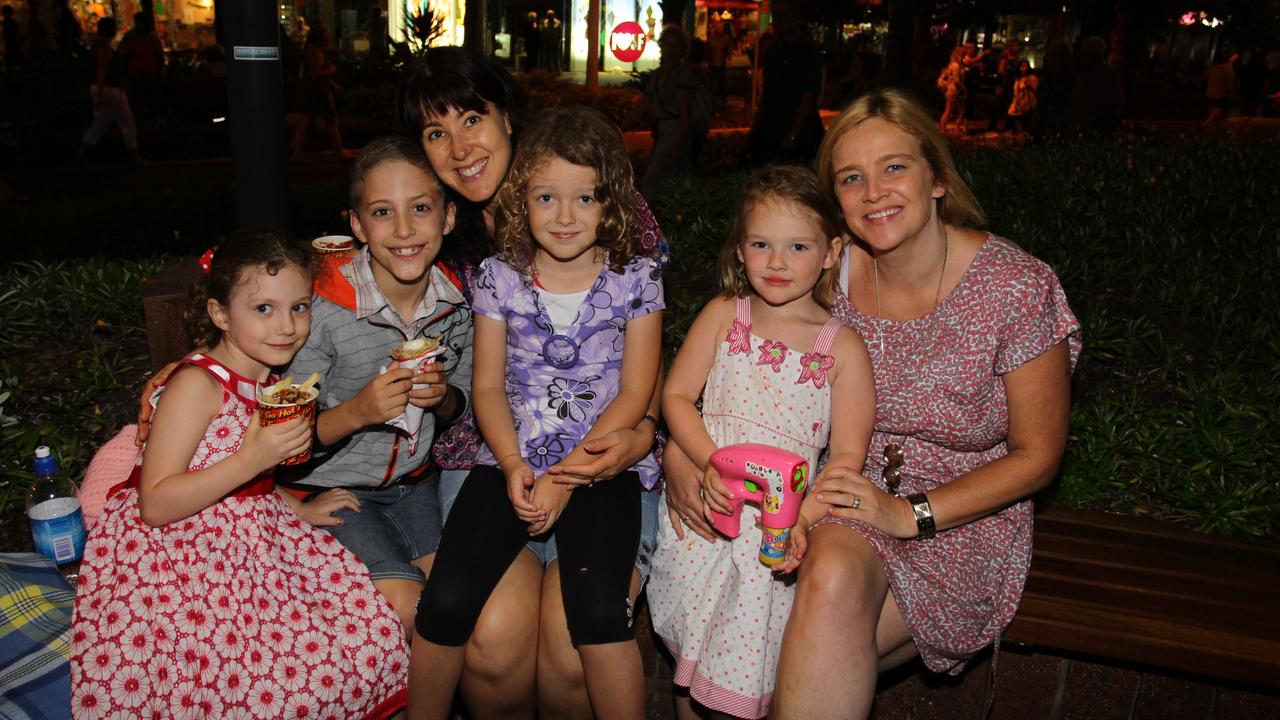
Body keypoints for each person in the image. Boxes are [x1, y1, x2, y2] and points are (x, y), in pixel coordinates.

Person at [756, 88, 1080, 718]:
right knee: (808, 608)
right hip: (843, 494)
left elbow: (1039, 456)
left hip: (967, 514)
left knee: (788, 665)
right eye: (852, 177)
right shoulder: (824, 268)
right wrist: (686, 456)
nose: (874, 191)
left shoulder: (1015, 286)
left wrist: (911, 515)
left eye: (895, 167)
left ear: (936, 177)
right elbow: (738, 349)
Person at [396, 45, 668, 719]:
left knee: (579, 640)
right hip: (494, 456)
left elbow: (645, 380)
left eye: (471, 118)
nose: (458, 147)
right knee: (488, 637)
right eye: (435, 132)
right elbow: (344, 272)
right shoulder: (444, 238)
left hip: (602, 457)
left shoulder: (622, 239)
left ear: (509, 115)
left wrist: (638, 441)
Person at [71, 231, 409, 719]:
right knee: (259, 679)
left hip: (249, 532)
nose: (288, 326)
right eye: (264, 309)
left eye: (298, 307)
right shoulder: (196, 385)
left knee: (361, 625)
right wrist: (253, 459)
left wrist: (299, 506)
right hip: (174, 557)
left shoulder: (269, 381)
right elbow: (156, 503)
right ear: (220, 315)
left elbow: (248, 479)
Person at [648, 165, 876, 719]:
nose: (776, 262)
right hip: (707, 509)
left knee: (744, 665)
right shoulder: (726, 315)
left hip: (776, 529)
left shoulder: (842, 348)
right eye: (761, 244)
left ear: (830, 252)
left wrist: (801, 518)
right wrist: (707, 464)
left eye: (798, 246)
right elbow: (676, 396)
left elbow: (847, 459)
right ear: (740, 249)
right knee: (693, 656)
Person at [280, 136, 471, 635]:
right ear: (357, 225)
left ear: (448, 217)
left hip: (414, 486)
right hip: (331, 488)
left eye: (421, 208)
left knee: (456, 602)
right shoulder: (320, 312)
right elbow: (281, 438)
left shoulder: (458, 306)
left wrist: (444, 396)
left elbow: (463, 405)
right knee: (408, 606)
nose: (404, 230)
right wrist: (359, 412)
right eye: (383, 212)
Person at [742, 0, 822, 167]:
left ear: (794, 17)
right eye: (775, 15)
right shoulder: (773, 50)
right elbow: (768, 94)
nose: (778, 20)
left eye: (784, 15)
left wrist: (794, 133)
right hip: (770, 129)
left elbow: (809, 94)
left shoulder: (805, 50)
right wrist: (755, 128)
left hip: (794, 135)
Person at [638, 25, 701, 203]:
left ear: (682, 50)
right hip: (662, 131)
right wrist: (621, 128)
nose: (671, 50)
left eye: (676, 46)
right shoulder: (657, 75)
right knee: (665, 182)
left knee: (656, 182)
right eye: (667, 44)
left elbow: (686, 114)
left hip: (675, 133)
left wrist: (679, 146)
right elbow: (643, 105)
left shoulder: (683, 76)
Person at [76, 17, 145, 165]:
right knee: (127, 122)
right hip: (110, 90)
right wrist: (100, 93)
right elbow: (102, 71)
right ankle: (134, 155)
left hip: (100, 88)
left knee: (100, 122)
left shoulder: (97, 46)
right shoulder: (104, 48)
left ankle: (82, 151)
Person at [290, 24, 345, 159]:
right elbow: (316, 74)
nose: (328, 38)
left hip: (317, 92)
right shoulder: (315, 53)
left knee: (307, 121)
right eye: (326, 36)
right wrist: (331, 71)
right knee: (330, 121)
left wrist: (334, 85)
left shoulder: (312, 51)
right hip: (319, 93)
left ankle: (295, 149)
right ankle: (338, 150)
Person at [937, 46, 969, 134]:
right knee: (949, 110)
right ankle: (943, 129)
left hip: (952, 90)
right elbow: (957, 80)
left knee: (960, 109)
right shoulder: (956, 66)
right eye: (963, 53)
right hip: (954, 91)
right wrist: (963, 88)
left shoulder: (952, 65)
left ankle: (955, 128)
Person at [1006, 60, 1039, 135]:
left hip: (1028, 104)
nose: (1025, 68)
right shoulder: (1018, 79)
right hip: (1019, 104)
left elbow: (1036, 89)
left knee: (1027, 123)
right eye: (1023, 66)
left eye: (1026, 66)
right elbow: (1016, 92)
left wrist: (1028, 84)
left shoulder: (1032, 78)